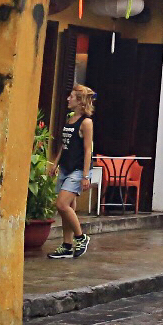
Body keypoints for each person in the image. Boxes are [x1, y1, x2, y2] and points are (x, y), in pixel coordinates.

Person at [48, 85, 96, 259]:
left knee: (61, 204)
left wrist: (85, 176)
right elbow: (64, 144)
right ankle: (67, 245)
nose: (68, 99)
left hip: (77, 170)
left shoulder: (86, 122)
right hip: (65, 168)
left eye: (72, 96)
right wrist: (55, 163)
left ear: (80, 101)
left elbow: (88, 150)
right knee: (67, 209)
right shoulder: (70, 120)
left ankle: (81, 237)